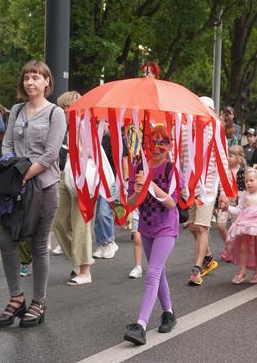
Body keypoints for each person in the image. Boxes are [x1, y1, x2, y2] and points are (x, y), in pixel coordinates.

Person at [0, 60, 67, 328]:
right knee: (5, 240)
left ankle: (39, 301)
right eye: (26, 77)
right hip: (15, 187)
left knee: (38, 245)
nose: (30, 82)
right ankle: (16, 297)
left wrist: (24, 175)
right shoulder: (15, 110)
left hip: (44, 187)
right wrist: (12, 172)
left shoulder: (55, 114)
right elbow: (7, 145)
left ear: (47, 82)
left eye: (36, 77)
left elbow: (50, 154)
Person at [124, 125, 179, 346]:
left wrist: (151, 184)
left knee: (153, 271)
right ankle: (169, 313)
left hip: (166, 227)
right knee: (159, 272)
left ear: (169, 146)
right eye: (153, 142)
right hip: (146, 228)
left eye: (162, 143)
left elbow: (172, 202)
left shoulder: (171, 169)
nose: (157, 148)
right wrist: (138, 190)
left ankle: (141, 325)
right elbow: (129, 204)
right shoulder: (138, 166)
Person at [53, 91, 100, 286]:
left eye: (64, 107)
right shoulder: (71, 126)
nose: (62, 111)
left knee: (81, 225)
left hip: (84, 178)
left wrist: (74, 148)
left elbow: (93, 152)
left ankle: (84, 270)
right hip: (69, 175)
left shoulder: (87, 124)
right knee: (60, 223)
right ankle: (79, 259)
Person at [182, 96, 229, 286]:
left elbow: (223, 162)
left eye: (208, 110)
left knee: (202, 227)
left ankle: (197, 269)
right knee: (193, 226)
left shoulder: (217, 131)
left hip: (208, 187)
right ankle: (208, 258)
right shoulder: (184, 130)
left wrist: (224, 192)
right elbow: (180, 158)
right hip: (189, 188)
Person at [225, 166, 257, 285]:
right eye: (246, 181)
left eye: (251, 180)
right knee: (243, 247)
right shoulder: (244, 195)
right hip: (246, 224)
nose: (248, 183)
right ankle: (242, 271)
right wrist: (227, 208)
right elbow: (239, 210)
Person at [93, 122, 129, 261]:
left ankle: (110, 241)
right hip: (96, 180)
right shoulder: (94, 138)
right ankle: (102, 243)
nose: (99, 126)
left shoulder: (115, 138)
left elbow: (124, 159)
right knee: (98, 215)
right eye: (96, 123)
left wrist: (125, 180)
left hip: (112, 180)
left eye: (102, 123)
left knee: (104, 212)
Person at [216, 144, 246, 246]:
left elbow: (243, 188)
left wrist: (242, 203)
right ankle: (228, 245)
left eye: (231, 155)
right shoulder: (224, 170)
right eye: (227, 155)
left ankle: (235, 248)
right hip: (225, 201)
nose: (228, 158)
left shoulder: (242, 171)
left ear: (238, 158)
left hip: (237, 203)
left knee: (236, 227)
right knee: (220, 225)